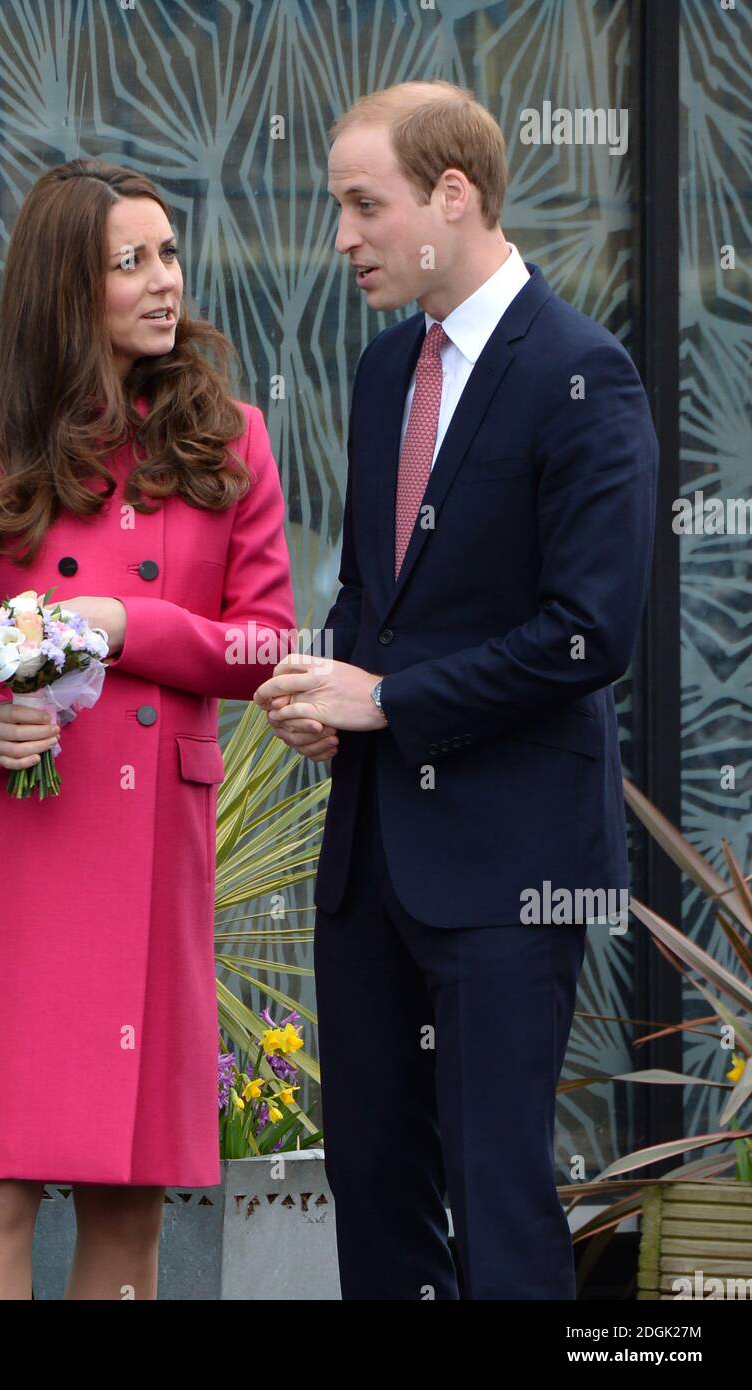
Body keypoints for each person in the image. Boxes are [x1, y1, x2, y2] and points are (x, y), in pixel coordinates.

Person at [0, 159, 295, 1300]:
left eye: (169, 254)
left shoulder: (232, 438)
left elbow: (263, 647)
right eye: (132, 262)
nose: (167, 282)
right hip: (10, 844)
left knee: (127, 1191)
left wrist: (128, 622)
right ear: (68, 286)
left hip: (154, 837)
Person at [256, 81, 658, 1299]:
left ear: (453, 195)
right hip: (372, 851)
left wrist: (390, 697)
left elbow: (590, 637)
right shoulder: (386, 374)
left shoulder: (589, 375)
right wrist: (328, 688)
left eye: (363, 206)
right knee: (373, 1198)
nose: (342, 238)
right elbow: (379, 590)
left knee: (499, 1203)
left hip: (507, 866)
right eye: (338, 209)